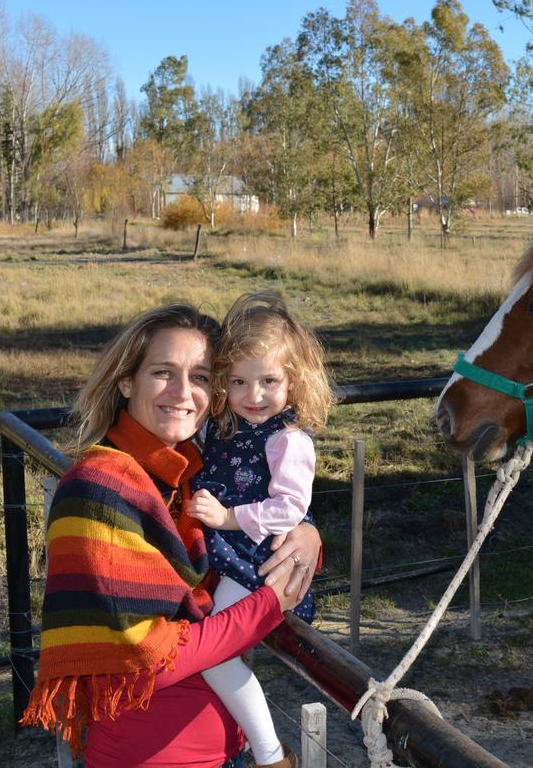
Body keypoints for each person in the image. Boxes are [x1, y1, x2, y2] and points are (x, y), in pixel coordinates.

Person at [21, 303, 321, 768]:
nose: (183, 392)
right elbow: (151, 657)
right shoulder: (98, 491)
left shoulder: (190, 474)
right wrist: (269, 603)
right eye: (164, 372)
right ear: (126, 382)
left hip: (227, 749)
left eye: (201, 376)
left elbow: (254, 538)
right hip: (151, 756)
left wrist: (306, 534)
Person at [186, 291, 333, 768]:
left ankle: (269, 755)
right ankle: (245, 742)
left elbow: (290, 507)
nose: (254, 396)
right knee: (219, 653)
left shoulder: (288, 441)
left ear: (295, 380)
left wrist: (227, 518)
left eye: (269, 381)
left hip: (251, 564)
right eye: (239, 382)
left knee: (215, 652)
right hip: (225, 557)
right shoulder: (227, 426)